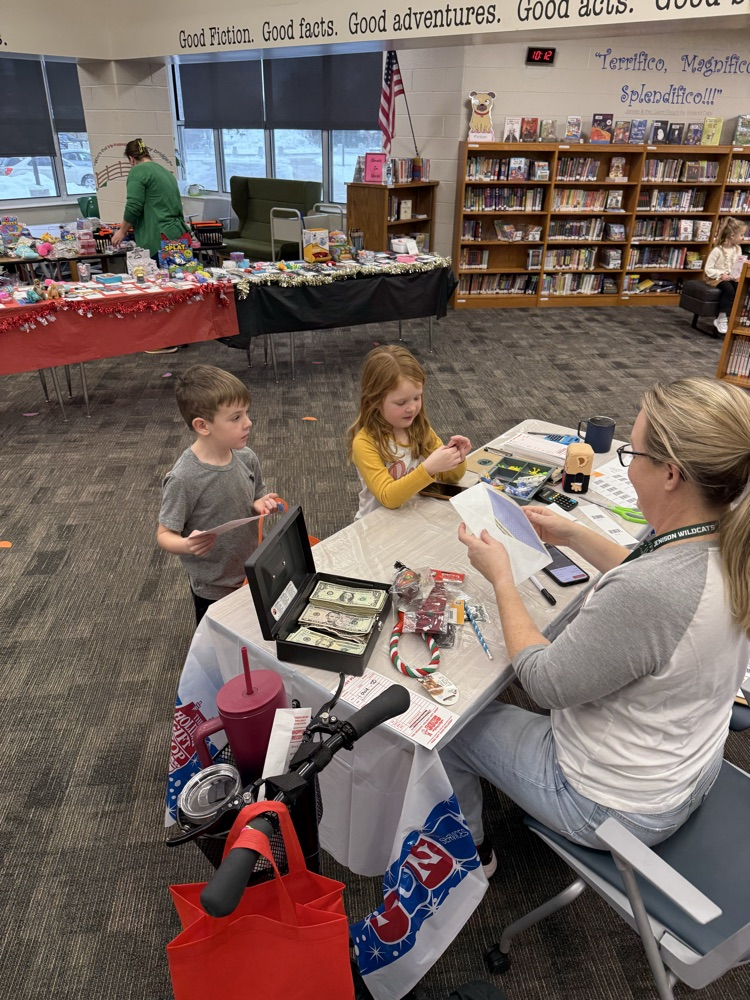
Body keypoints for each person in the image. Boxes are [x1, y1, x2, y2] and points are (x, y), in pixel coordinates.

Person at [442, 377, 750, 877]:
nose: (629, 468)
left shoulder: (653, 590)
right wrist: (572, 533)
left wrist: (501, 576)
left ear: (671, 474)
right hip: (691, 764)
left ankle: (471, 855)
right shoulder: (730, 539)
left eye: (635, 454)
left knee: (448, 725)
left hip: (615, 808)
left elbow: (544, 682)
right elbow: (659, 587)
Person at [157, 365, 280, 625]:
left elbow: (256, 494)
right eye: (236, 417)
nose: (248, 422)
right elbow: (165, 534)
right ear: (202, 426)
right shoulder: (184, 478)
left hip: (252, 569)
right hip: (214, 587)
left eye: (246, 413)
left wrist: (260, 503)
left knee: (256, 631)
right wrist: (187, 545)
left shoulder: (246, 457)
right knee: (220, 642)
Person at [347, 345, 471, 518]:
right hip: (376, 524)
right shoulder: (364, 443)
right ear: (375, 400)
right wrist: (428, 469)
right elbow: (388, 497)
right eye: (401, 402)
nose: (412, 408)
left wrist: (456, 458)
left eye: (417, 397)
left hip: (411, 516)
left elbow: (451, 478)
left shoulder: (420, 430)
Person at [111, 138, 190, 354]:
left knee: (158, 288)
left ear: (131, 159)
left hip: (158, 236)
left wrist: (122, 231)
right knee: (178, 286)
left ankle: (164, 340)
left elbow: (134, 205)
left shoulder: (138, 172)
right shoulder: (164, 172)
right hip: (177, 234)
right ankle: (183, 335)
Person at [704, 216, 747, 336]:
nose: (743, 238)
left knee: (739, 287)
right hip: (715, 278)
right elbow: (708, 269)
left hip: (730, 277)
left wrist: (737, 275)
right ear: (732, 236)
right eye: (741, 235)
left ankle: (736, 317)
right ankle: (722, 318)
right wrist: (720, 274)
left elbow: (737, 265)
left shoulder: (738, 249)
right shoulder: (717, 250)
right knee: (728, 288)